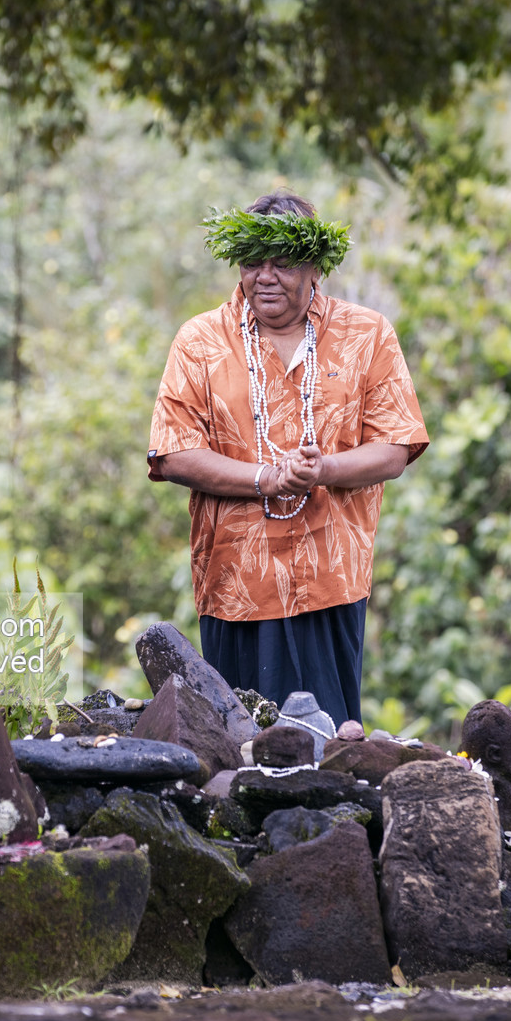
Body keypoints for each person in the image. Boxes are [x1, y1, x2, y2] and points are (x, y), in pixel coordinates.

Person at [146, 191, 429, 726]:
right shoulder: (201, 341)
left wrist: (324, 470)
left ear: (316, 266)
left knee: (328, 744)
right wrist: (267, 478)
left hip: (330, 579)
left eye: (284, 262)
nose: (265, 276)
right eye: (253, 262)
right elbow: (174, 452)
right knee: (238, 745)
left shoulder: (366, 335)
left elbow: (395, 447)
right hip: (236, 584)